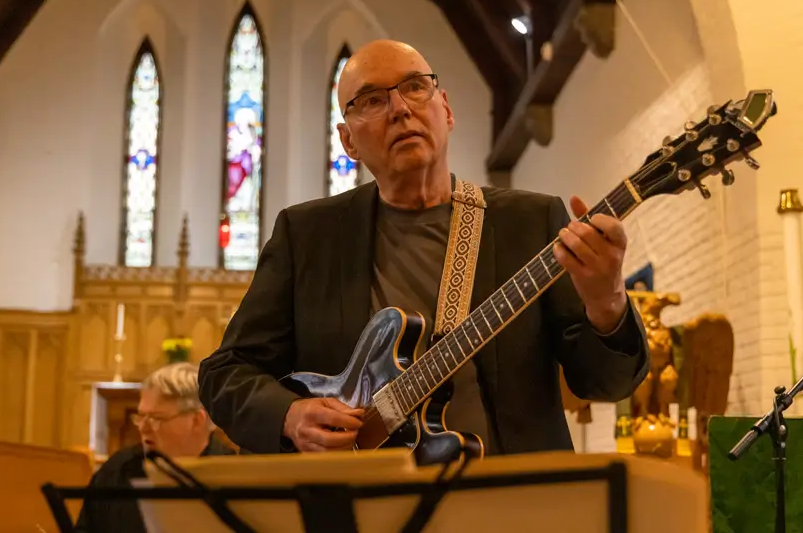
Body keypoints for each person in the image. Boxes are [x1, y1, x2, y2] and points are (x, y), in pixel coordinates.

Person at [198, 39, 649, 457]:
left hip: (511, 501)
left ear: (446, 110)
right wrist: (289, 415)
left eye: (415, 87)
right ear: (348, 141)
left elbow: (605, 384)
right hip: (360, 506)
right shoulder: (307, 235)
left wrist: (606, 301)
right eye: (372, 100)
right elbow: (224, 373)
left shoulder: (530, 224)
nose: (399, 108)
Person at [75, 363, 238, 533]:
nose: (143, 428)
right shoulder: (117, 469)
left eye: (156, 418)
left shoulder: (235, 477)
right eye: (140, 416)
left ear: (197, 420)